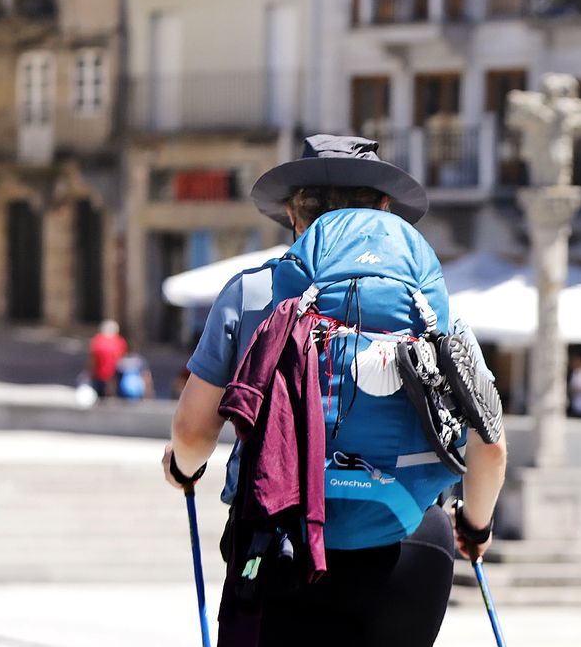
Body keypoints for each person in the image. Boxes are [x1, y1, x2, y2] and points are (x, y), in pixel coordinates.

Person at [161, 135, 507, 647]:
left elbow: (193, 432)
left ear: (293, 215)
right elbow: (491, 446)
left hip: (282, 542)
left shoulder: (253, 292)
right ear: (386, 210)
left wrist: (182, 469)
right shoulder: (432, 307)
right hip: (411, 542)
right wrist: (474, 528)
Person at [87, 319, 127, 398]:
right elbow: (121, 359)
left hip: (99, 373)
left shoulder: (97, 340)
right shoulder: (119, 341)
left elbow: (92, 359)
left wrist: (89, 371)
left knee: (99, 395)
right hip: (113, 375)